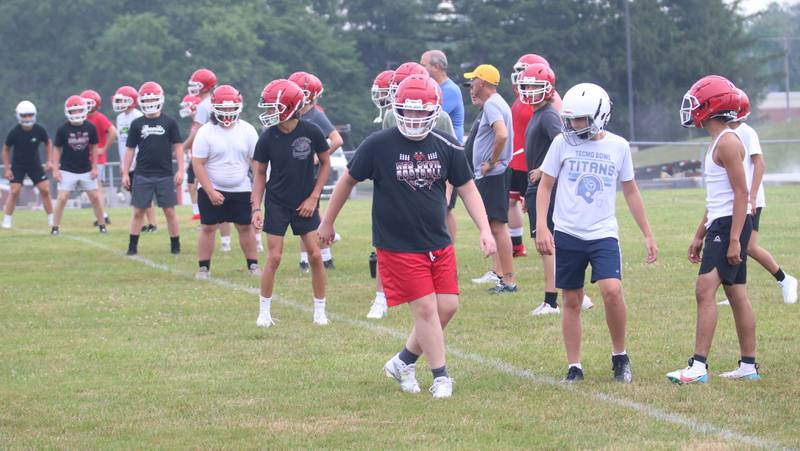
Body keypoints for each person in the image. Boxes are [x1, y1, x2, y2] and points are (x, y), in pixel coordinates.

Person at [318, 74, 497, 398]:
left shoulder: (447, 144)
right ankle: (441, 376)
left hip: (437, 241)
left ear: (433, 111)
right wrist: (328, 222)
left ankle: (403, 361)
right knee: (427, 309)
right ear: (397, 109)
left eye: (420, 112)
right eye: (408, 111)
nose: (413, 118)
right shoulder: (379, 144)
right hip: (397, 243)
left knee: (448, 307)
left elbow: (467, 188)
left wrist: (485, 229)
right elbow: (347, 181)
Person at [536, 83, 657, 383]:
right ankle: (574, 365)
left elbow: (630, 191)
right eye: (571, 119)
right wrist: (541, 224)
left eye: (580, 120)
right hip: (568, 231)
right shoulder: (562, 144)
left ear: (600, 116)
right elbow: (545, 185)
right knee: (571, 299)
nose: (574, 125)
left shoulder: (618, 146)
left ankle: (620, 356)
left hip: (603, 232)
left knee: (612, 290)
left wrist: (648, 234)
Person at [667, 76, 758, 384]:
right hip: (721, 223)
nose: (691, 108)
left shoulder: (729, 142)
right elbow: (718, 198)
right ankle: (748, 367)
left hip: (730, 225)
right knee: (736, 295)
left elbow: (741, 193)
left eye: (697, 103)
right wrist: (699, 234)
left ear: (712, 106)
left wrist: (734, 239)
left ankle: (698, 366)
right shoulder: (717, 141)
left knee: (704, 290)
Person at [252, 79, 332, 328]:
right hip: (277, 202)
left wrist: (313, 197)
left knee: (316, 256)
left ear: (288, 107)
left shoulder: (311, 131)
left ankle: (320, 310)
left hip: (305, 202)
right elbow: (259, 173)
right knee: (274, 257)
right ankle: (264, 311)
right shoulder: (267, 137)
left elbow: (326, 163)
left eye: (272, 107)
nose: (268, 112)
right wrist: (256, 207)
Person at [517, 63, 593, 316]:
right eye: (526, 85)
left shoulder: (549, 115)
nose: (528, 91)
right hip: (536, 188)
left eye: (534, 86)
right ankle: (579, 296)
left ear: (548, 89)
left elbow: (565, 144)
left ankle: (552, 301)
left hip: (547, 187)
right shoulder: (538, 114)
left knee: (547, 244)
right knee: (552, 245)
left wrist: (542, 171)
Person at [722, 89, 796, 305]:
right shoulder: (725, 133)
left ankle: (785, 279)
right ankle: (735, 291)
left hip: (750, 200)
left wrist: (752, 196)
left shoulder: (747, 132)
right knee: (737, 244)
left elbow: (759, 164)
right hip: (738, 198)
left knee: (747, 246)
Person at [192, 85, 260, 279]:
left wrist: (256, 189)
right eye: (224, 108)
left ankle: (253, 265)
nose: (228, 112)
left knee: (245, 226)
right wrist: (210, 191)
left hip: (241, 188)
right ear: (215, 108)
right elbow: (198, 164)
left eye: (231, 108)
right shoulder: (206, 131)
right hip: (212, 187)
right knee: (208, 227)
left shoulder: (247, 130)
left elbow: (256, 162)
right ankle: (203, 268)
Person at [464, 64, 517, 294]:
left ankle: (508, 281)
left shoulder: (492, 104)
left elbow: (502, 134)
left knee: (497, 227)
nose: (471, 86)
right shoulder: (497, 103)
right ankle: (501, 277)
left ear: (482, 83)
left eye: (473, 81)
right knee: (495, 226)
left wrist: (492, 162)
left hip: (494, 174)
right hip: (495, 174)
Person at [288, 71, 344, 271]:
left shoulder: (315, 115)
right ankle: (312, 258)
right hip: (296, 173)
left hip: (311, 174)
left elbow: (337, 139)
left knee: (310, 216)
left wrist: (318, 156)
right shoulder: (292, 113)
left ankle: (317, 258)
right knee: (304, 215)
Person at [122, 81, 184, 256]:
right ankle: (132, 247)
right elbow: (130, 149)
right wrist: (125, 172)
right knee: (138, 211)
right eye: (146, 101)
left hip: (164, 173)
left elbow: (178, 146)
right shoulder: (136, 124)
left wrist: (180, 169)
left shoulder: (169, 122)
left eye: (153, 100)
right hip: (143, 173)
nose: (149, 105)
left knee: (170, 211)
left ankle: (175, 246)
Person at [183, 68, 235, 250]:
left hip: (207, 155)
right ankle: (227, 242)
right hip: (225, 153)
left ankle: (221, 239)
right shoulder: (216, 102)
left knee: (211, 196)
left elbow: (197, 131)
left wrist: (183, 146)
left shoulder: (204, 105)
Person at [51, 95, 107, 235]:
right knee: (62, 197)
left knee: (94, 197)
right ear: (67, 112)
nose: (76, 114)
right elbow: (57, 149)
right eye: (73, 111)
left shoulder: (90, 127)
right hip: (67, 169)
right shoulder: (62, 129)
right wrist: (56, 169)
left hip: (86, 169)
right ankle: (55, 227)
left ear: (84, 110)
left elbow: (94, 147)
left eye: (79, 110)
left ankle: (102, 225)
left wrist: (94, 167)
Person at [2, 101, 54, 230]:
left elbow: (48, 142)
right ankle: (7, 220)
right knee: (14, 190)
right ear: (19, 116)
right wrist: (7, 168)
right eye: (24, 115)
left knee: (45, 190)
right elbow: (6, 149)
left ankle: (52, 219)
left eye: (30, 115)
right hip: (18, 165)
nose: (27, 118)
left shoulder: (39, 129)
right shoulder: (14, 132)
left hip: (34, 164)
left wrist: (49, 160)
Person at [113, 85, 157, 233]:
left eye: (122, 100)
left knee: (145, 193)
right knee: (135, 194)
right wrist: (123, 163)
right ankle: (143, 223)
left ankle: (152, 224)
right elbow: (122, 142)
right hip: (127, 161)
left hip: (140, 160)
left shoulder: (138, 116)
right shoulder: (120, 118)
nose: (119, 103)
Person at [80, 89, 115, 225]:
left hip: (97, 159)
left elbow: (112, 131)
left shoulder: (99, 117)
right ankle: (100, 215)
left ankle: (102, 215)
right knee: (92, 189)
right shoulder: (82, 117)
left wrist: (104, 148)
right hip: (85, 158)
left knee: (96, 188)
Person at [420, 49, 465, 142]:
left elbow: (427, 117)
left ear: (436, 67)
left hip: (449, 147)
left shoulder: (450, 90)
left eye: (423, 65)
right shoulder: (435, 88)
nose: (420, 69)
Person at [180, 93, 203, 222]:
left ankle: (200, 212)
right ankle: (196, 212)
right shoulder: (195, 123)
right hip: (193, 157)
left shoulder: (200, 122)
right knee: (190, 185)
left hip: (199, 158)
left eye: (187, 105)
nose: (185, 108)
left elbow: (194, 139)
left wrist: (181, 148)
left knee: (196, 185)